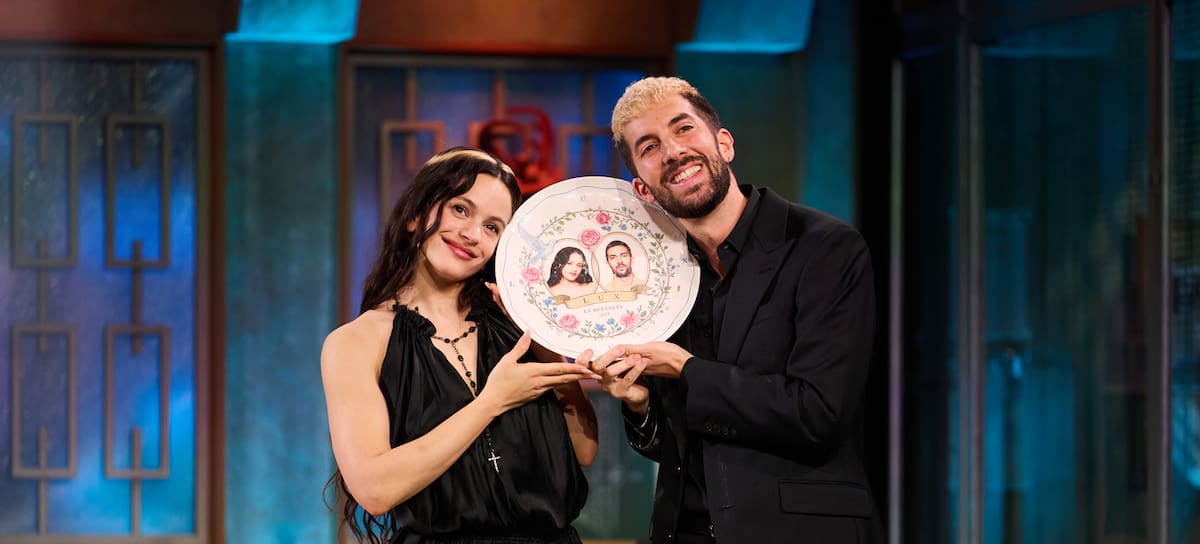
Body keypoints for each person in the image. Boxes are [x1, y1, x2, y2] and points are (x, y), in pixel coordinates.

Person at [581, 77, 882, 543]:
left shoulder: (825, 248)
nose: (673, 152)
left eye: (684, 128)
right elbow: (680, 445)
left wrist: (686, 370)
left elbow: (818, 413)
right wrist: (640, 406)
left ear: (724, 143)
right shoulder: (659, 279)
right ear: (643, 188)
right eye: (650, 146)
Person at [321, 147, 601, 544]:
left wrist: (544, 341)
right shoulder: (356, 342)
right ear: (416, 214)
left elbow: (584, 450)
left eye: (492, 227)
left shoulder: (515, 321)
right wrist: (493, 401)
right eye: (460, 210)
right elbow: (374, 490)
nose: (472, 235)